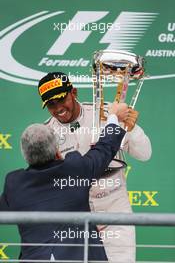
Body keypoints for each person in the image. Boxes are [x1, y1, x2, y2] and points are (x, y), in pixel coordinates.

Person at [37, 71, 152, 263]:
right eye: (51, 104)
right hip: (74, 221)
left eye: (61, 99)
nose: (58, 108)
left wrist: (132, 130)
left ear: (73, 92)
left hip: (115, 212)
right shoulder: (46, 134)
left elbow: (145, 154)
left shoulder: (108, 115)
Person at [0, 102, 126, 262]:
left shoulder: (15, 184)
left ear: (25, 155)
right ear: (57, 150)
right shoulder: (75, 169)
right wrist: (114, 116)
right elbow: (106, 147)